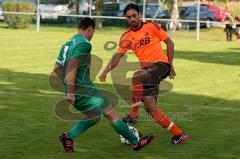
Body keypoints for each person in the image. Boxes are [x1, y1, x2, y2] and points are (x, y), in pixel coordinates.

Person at [53, 17, 155, 152]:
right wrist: (72, 90)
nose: (92, 36)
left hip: (77, 88)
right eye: (93, 32)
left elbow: (56, 67)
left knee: (94, 116)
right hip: (84, 90)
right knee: (112, 114)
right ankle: (136, 142)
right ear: (90, 28)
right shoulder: (84, 44)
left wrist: (68, 85)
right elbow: (73, 66)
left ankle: (68, 137)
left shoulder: (67, 43)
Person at [99, 3, 188, 144]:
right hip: (148, 74)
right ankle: (178, 134)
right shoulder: (126, 37)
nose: (132, 19)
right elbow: (117, 56)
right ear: (126, 19)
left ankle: (133, 115)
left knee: (136, 76)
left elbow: (169, 43)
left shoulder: (151, 26)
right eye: (129, 17)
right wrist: (105, 71)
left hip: (160, 66)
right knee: (150, 107)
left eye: (134, 16)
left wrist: (170, 64)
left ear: (139, 15)